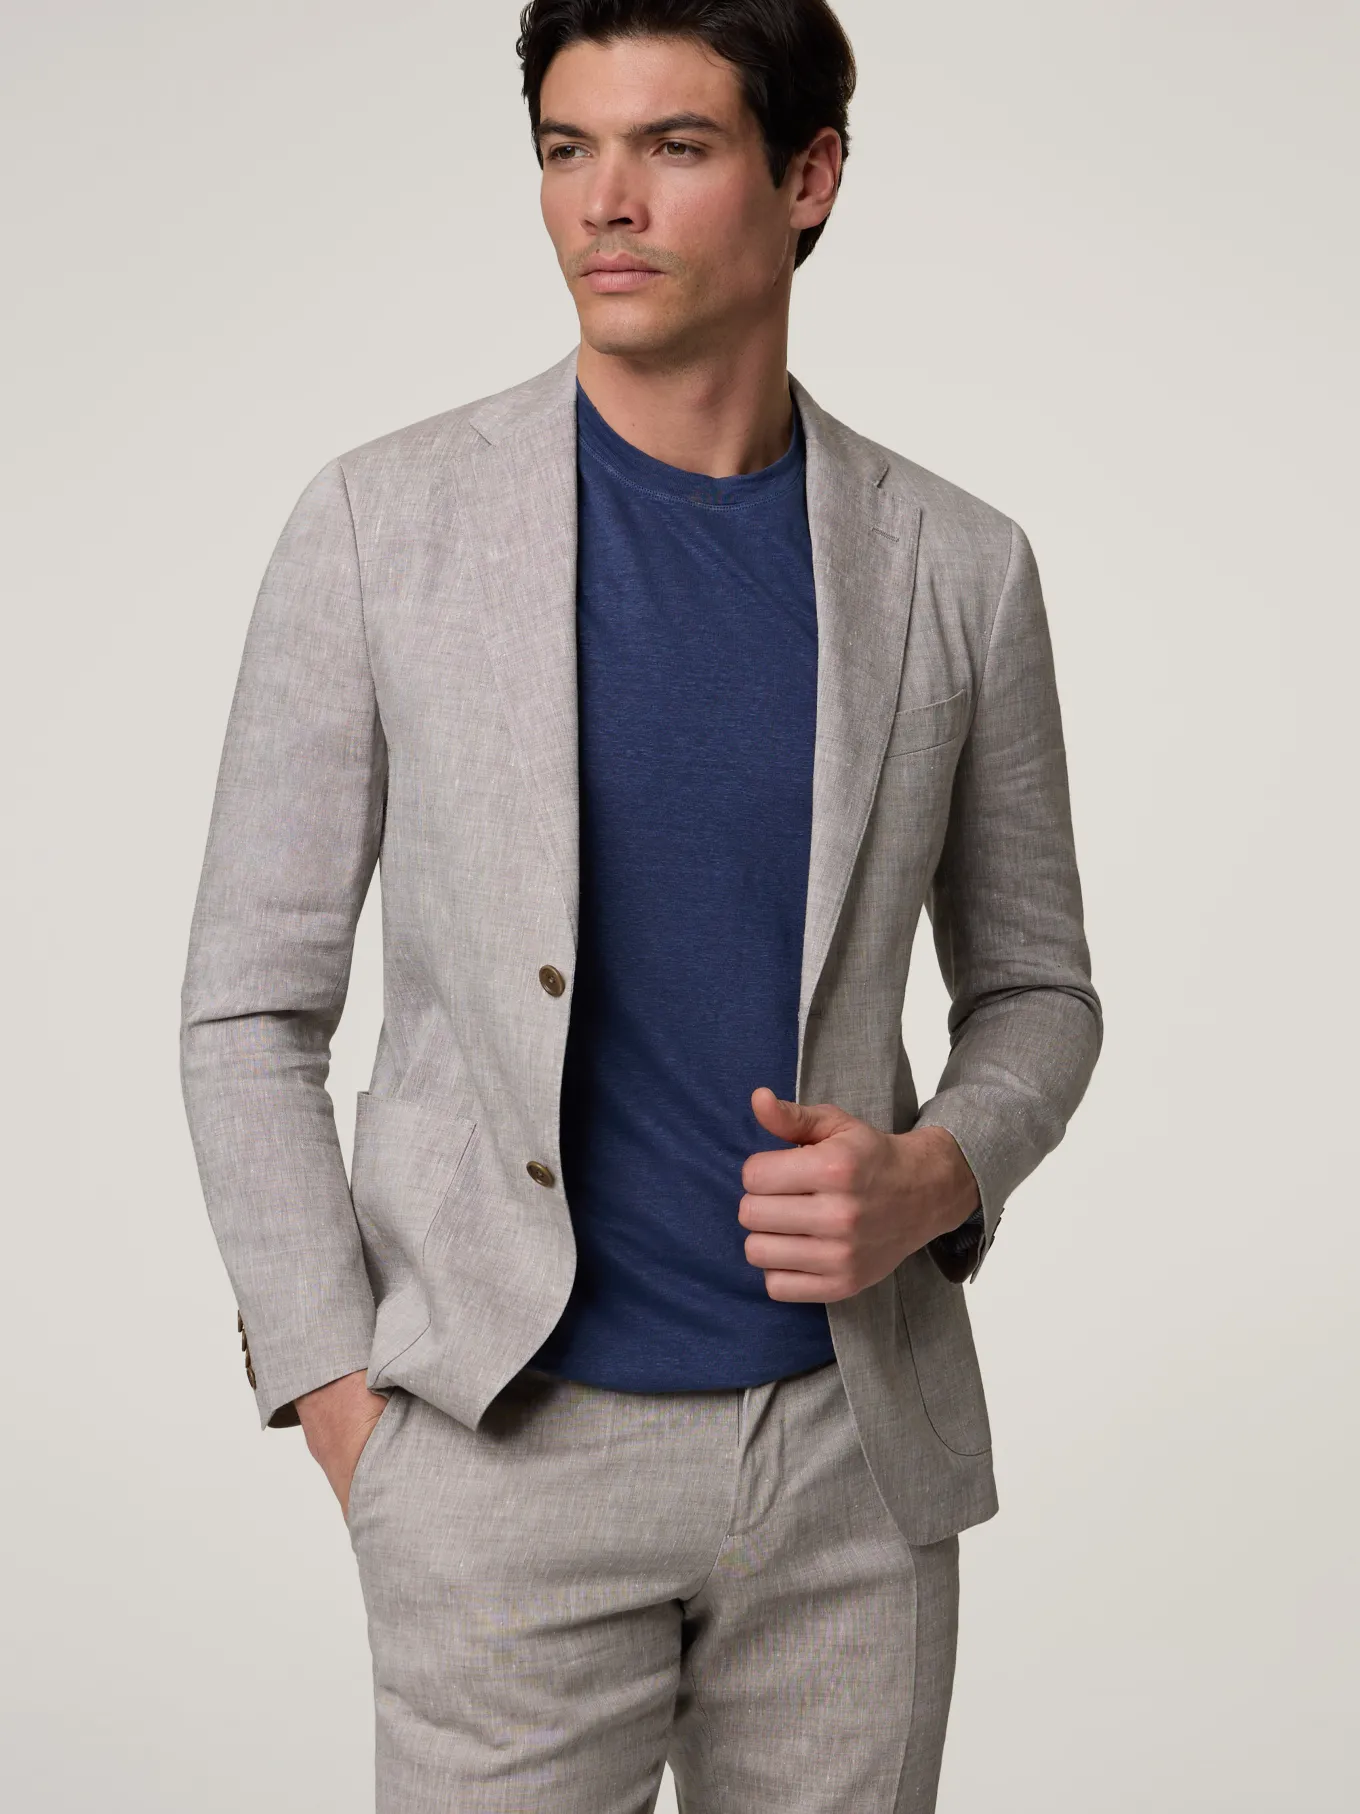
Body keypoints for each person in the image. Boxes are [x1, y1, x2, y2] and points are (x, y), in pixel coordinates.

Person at [179, 1, 1102, 1806]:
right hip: (500, 1461)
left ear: (808, 176)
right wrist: (348, 1409)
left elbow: (1040, 988)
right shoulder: (379, 527)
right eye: (566, 148)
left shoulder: (960, 568)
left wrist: (938, 1173)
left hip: (851, 1469)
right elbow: (246, 1008)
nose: (605, 201)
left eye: (674, 147)